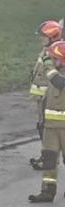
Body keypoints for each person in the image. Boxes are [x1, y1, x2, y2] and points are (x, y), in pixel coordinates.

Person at [29, 40, 65, 203]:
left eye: (54, 58)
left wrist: (48, 64)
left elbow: (58, 81)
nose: (52, 61)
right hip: (50, 127)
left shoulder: (57, 75)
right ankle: (47, 192)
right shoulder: (55, 73)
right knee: (49, 160)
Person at [28, 20, 63, 170]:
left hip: (50, 100)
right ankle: (46, 156)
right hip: (42, 99)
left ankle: (50, 159)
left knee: (46, 129)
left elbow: (55, 78)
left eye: (43, 36)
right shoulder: (46, 50)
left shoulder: (57, 53)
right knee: (41, 127)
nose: (40, 39)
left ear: (52, 37)